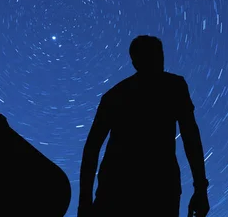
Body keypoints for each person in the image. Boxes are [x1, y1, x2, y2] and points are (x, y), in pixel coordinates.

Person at [78, 35, 210, 216]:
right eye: (155, 56)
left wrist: (84, 201)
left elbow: (91, 149)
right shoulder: (174, 86)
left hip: (120, 187)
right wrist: (200, 188)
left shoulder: (114, 95)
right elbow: (190, 136)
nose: (159, 60)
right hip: (158, 187)